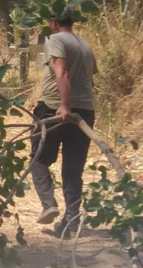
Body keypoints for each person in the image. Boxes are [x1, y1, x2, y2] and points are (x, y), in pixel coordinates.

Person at [31, 11, 97, 237]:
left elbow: (62, 72)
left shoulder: (55, 39)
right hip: (86, 111)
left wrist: (66, 105)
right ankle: (70, 222)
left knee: (39, 159)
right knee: (73, 169)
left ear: (53, 22)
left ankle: (48, 204)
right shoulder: (85, 44)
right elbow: (90, 80)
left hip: (55, 109)